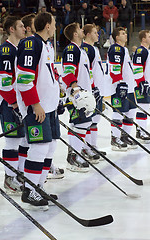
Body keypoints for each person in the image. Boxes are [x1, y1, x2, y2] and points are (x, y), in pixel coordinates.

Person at [16, 12, 59, 210]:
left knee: (50, 147)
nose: (56, 26)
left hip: (48, 106)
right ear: (48, 25)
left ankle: (39, 186)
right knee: (40, 147)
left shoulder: (46, 45)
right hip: (37, 106)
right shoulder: (31, 44)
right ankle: (29, 190)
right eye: (54, 23)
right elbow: (24, 78)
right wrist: (34, 104)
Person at [0, 16, 26, 195]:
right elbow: (3, 82)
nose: (24, 28)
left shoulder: (18, 48)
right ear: (11, 29)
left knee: (21, 138)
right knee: (12, 139)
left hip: (17, 102)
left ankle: (18, 174)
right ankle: (9, 177)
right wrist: (13, 102)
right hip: (9, 102)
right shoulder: (6, 50)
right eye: (21, 25)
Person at [62, 22, 95, 172]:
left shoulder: (81, 51)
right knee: (80, 124)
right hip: (76, 96)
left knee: (83, 124)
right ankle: (73, 157)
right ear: (75, 34)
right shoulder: (71, 49)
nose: (83, 31)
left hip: (84, 94)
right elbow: (68, 72)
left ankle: (76, 153)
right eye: (80, 29)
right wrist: (76, 90)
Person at [107, 27, 137, 150]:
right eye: (123, 33)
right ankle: (115, 138)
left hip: (128, 86)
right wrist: (120, 83)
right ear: (117, 37)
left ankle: (125, 136)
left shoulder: (123, 49)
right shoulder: (116, 48)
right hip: (119, 86)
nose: (126, 35)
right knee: (118, 112)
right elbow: (115, 68)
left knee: (131, 111)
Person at [81, 23, 106, 160]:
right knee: (88, 121)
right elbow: (88, 71)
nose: (98, 35)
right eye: (95, 32)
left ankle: (92, 145)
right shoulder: (86, 49)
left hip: (97, 90)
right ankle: (85, 147)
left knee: (95, 120)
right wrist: (93, 87)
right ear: (88, 34)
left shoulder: (94, 48)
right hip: (92, 90)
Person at [132, 30, 150, 144]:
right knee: (142, 106)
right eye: (149, 36)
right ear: (143, 39)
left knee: (145, 107)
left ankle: (143, 130)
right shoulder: (141, 51)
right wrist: (141, 82)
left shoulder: (149, 52)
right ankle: (140, 131)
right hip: (142, 85)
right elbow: (137, 68)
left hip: (149, 85)